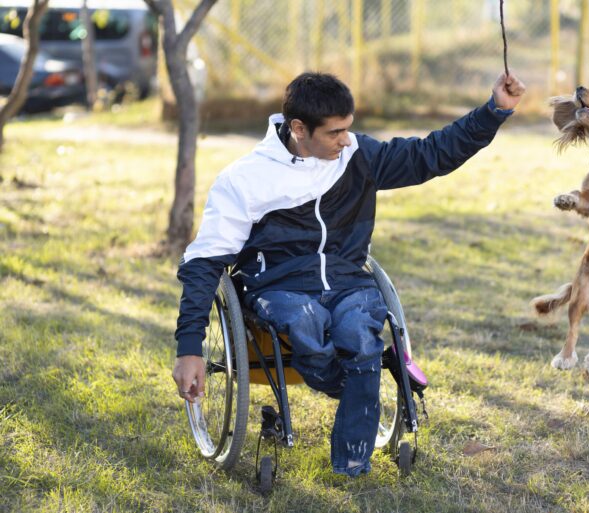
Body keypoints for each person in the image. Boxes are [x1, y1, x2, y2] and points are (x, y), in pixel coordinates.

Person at [172, 70, 525, 476]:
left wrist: (494, 110)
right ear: (299, 128)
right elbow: (204, 264)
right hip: (279, 287)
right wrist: (189, 347)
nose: (346, 140)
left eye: (348, 129)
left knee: (360, 335)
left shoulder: (358, 156)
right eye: (335, 132)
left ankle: (352, 463)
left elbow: (432, 153)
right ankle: (362, 386)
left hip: (348, 282)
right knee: (307, 325)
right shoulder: (244, 179)